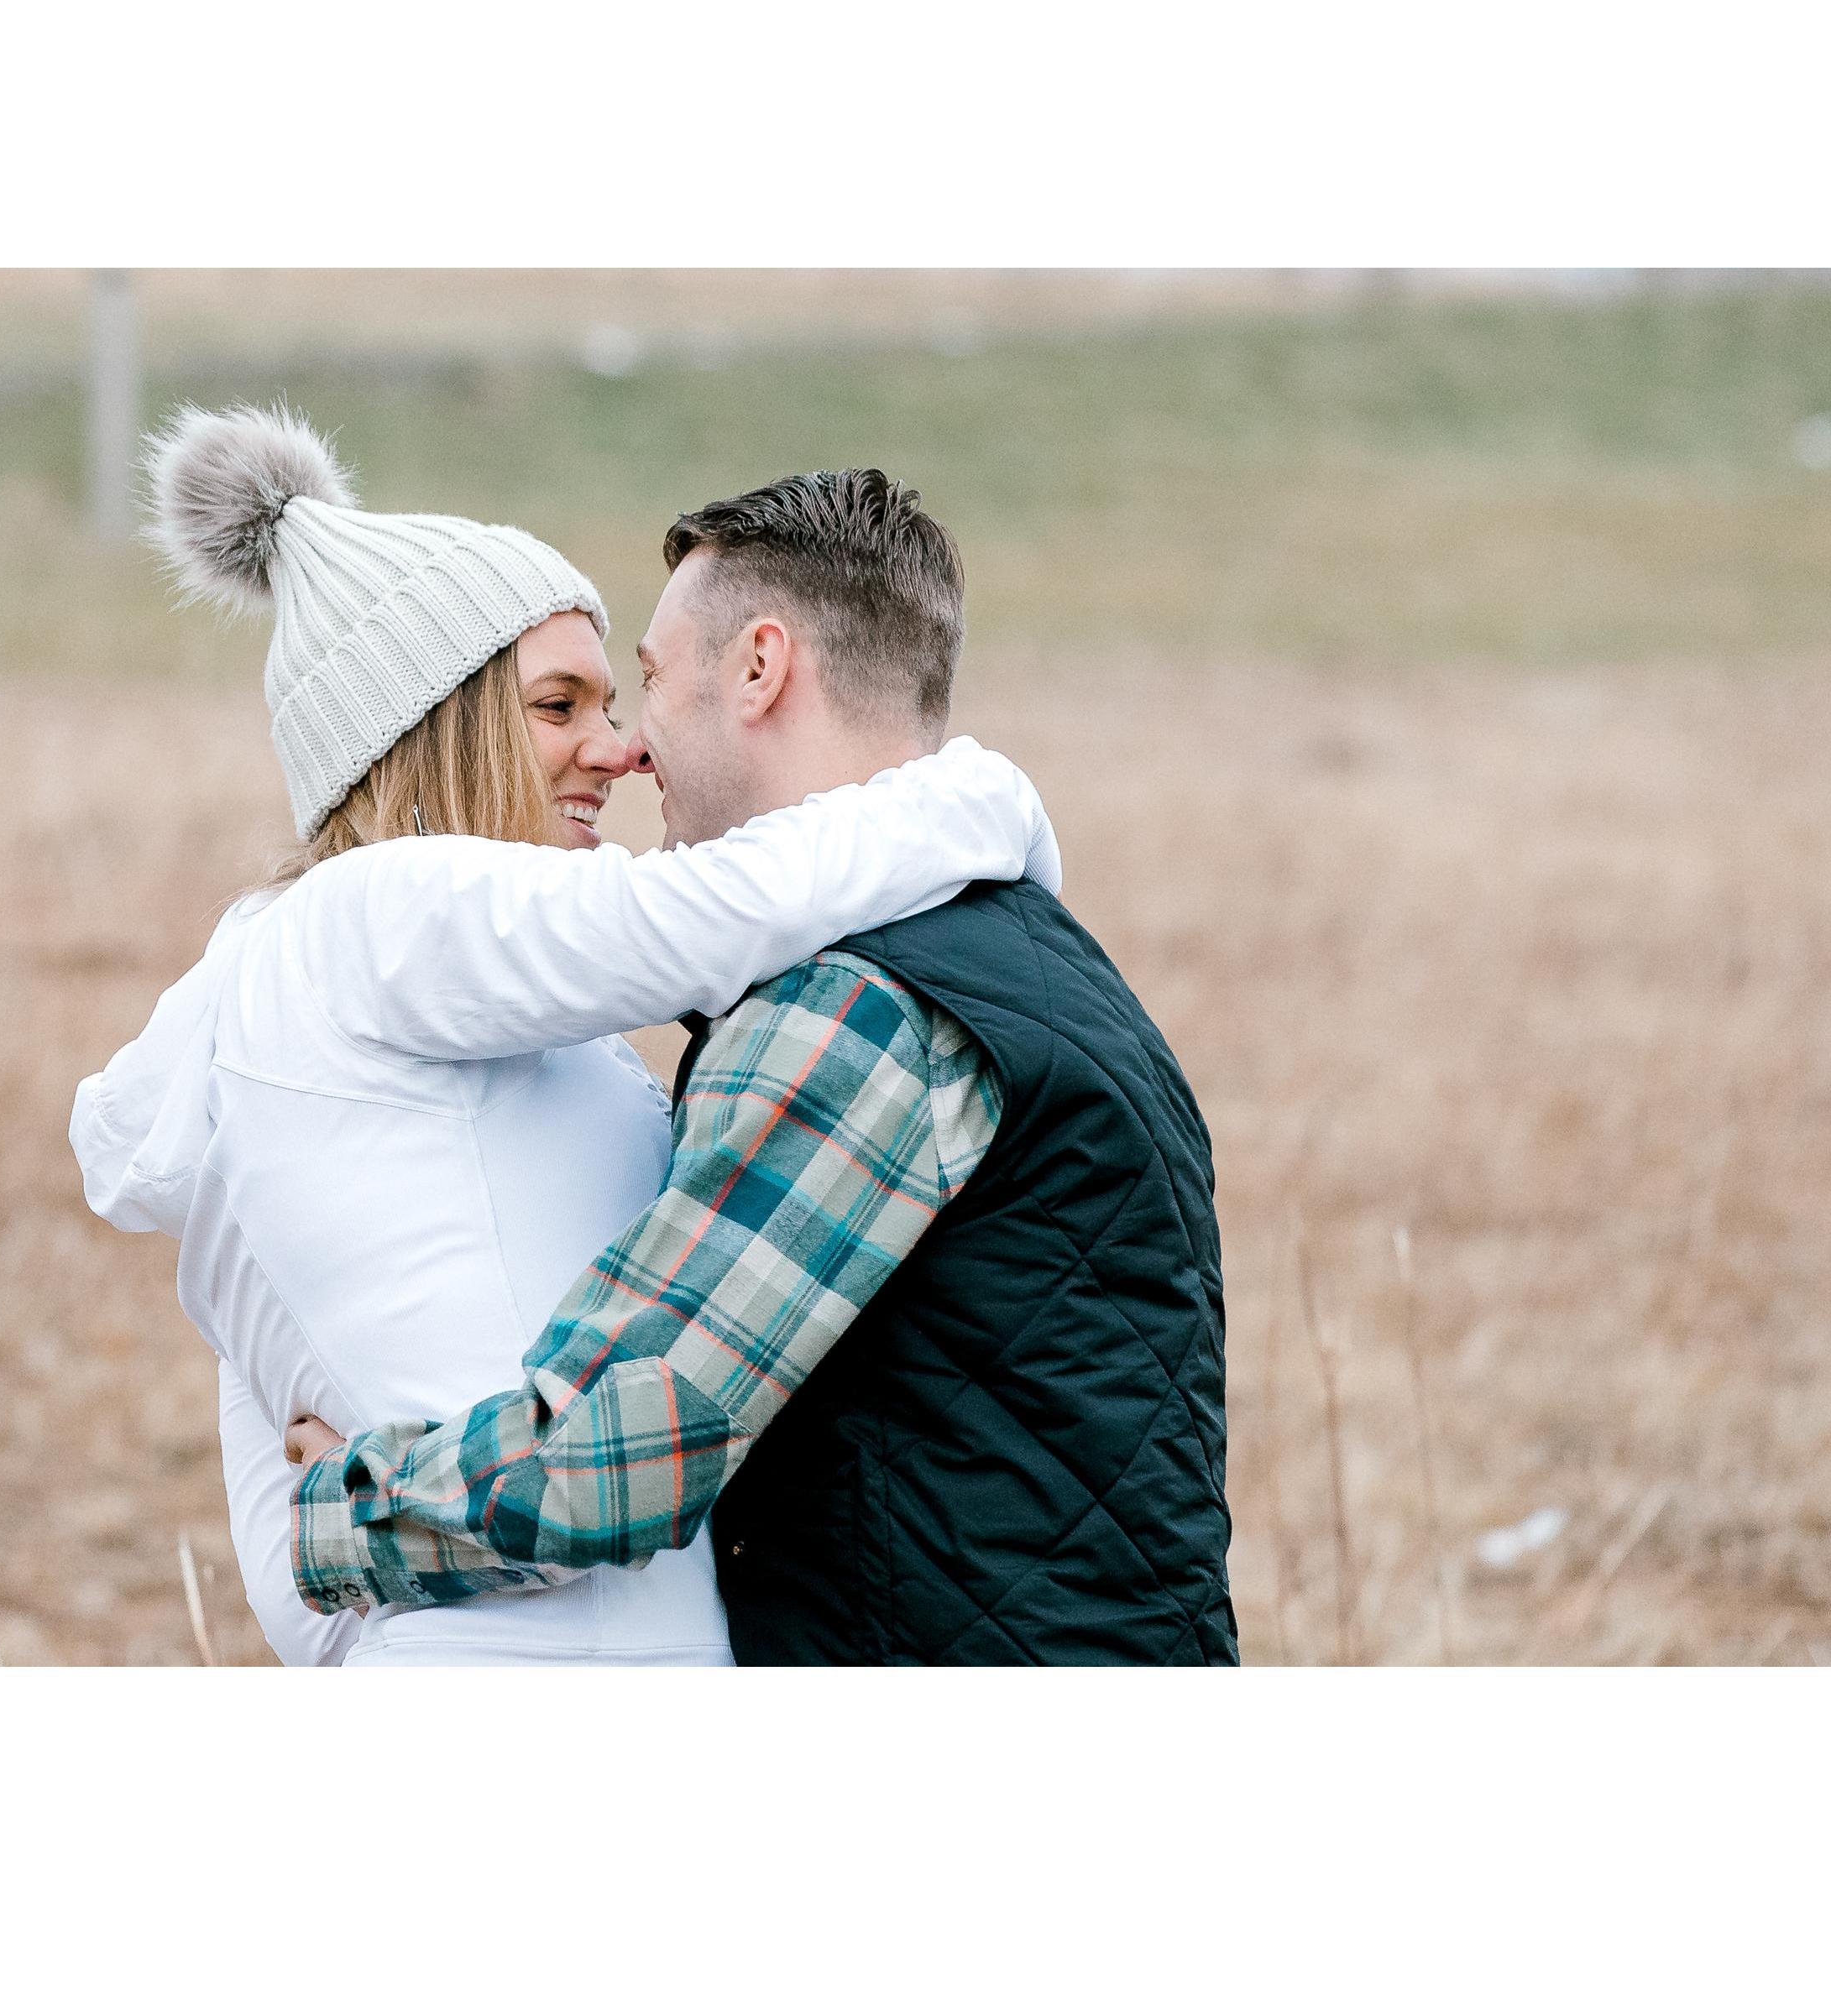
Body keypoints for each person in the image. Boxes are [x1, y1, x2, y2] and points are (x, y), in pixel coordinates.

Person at [71, 405, 1059, 1667]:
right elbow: (706, 917)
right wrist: (976, 798)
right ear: (427, 730)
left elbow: (287, 1523)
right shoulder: (371, 916)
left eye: (612, 698)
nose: (622, 746)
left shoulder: (444, 1014)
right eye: (558, 705)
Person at [286, 469, 1237, 1665]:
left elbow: (615, 1463)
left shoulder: (860, 1005)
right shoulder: (1037, 958)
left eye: (649, 678)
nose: (633, 748)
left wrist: (335, 1513)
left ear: (759, 668)